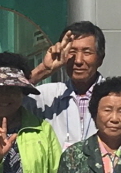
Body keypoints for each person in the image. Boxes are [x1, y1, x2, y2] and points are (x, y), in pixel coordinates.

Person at [31, 21, 106, 149]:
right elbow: (6, 98)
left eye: (87, 52)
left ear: (100, 58)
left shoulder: (118, 97)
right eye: (72, 52)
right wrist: (44, 69)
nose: (78, 61)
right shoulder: (47, 95)